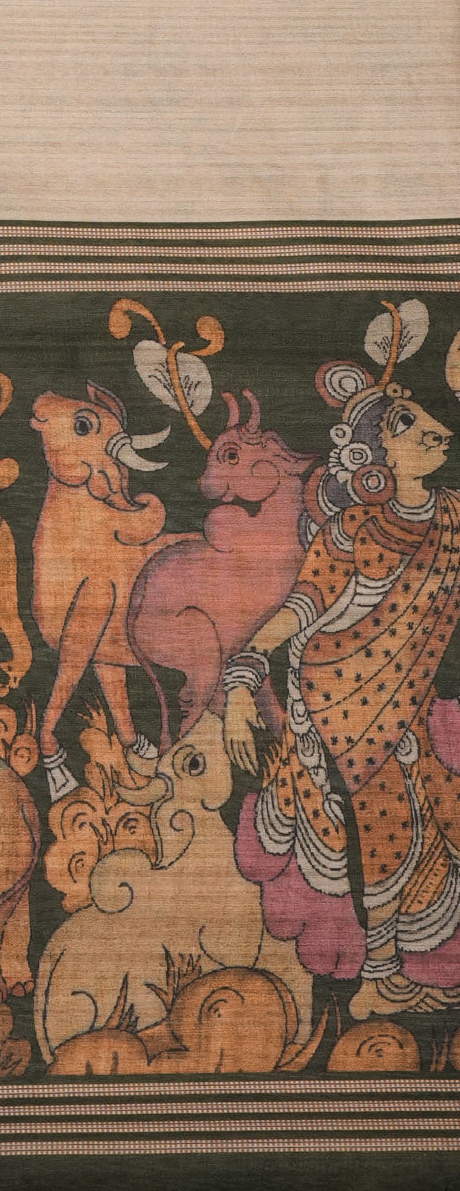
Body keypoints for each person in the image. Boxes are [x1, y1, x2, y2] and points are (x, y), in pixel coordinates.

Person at [226, 354, 460, 1018]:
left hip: (407, 694)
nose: (435, 429)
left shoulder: (452, 517)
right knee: (384, 823)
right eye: (407, 424)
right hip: (337, 695)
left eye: (429, 418)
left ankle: (418, 969)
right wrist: (243, 677)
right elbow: (304, 606)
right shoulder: (352, 529)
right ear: (374, 459)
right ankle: (378, 977)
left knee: (438, 812)